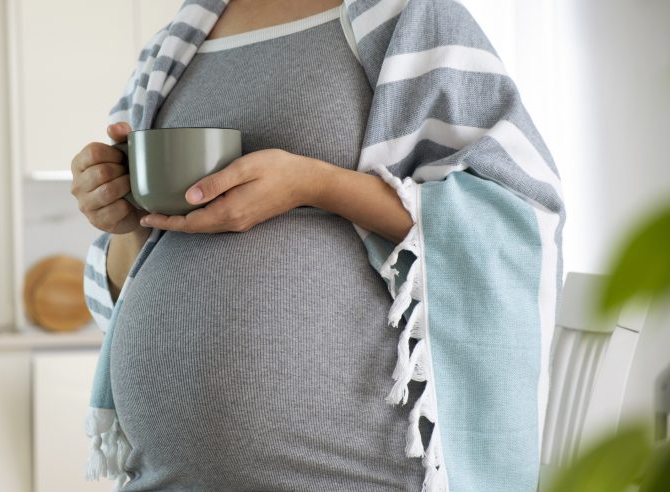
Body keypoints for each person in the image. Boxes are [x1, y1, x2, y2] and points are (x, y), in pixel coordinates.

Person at [71, 0, 561, 490]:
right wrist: (122, 214)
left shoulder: (407, 14)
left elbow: (516, 218)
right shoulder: (176, 42)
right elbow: (128, 282)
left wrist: (316, 185)